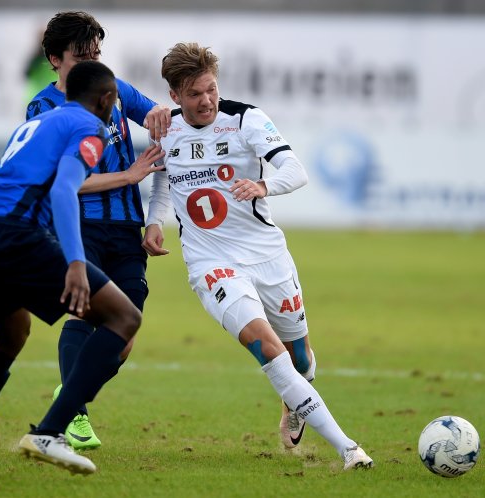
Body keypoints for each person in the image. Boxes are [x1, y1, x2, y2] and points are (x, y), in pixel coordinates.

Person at [143, 42, 374, 471]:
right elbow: (162, 183)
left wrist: (264, 186)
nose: (206, 100)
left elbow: (295, 170)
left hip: (267, 256)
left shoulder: (246, 118)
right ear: (175, 96)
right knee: (267, 347)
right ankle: (348, 449)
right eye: (194, 93)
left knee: (300, 358)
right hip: (211, 263)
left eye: (210, 89)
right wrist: (155, 222)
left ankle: (295, 401)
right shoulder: (165, 129)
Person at [0, 60, 136, 477]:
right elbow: (63, 189)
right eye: (115, 100)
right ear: (107, 98)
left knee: (11, 334)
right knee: (124, 317)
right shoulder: (90, 128)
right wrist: (76, 260)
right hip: (15, 233)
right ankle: (51, 432)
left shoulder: (37, 123)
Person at [26, 11, 168, 451]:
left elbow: (157, 114)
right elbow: (57, 182)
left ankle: (67, 398)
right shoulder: (43, 107)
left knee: (125, 332)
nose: (91, 63)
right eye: (79, 56)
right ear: (54, 59)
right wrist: (128, 175)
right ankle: (73, 415)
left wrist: (164, 115)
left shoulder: (116, 90)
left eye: (96, 53)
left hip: (126, 227)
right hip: (79, 223)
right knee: (86, 312)